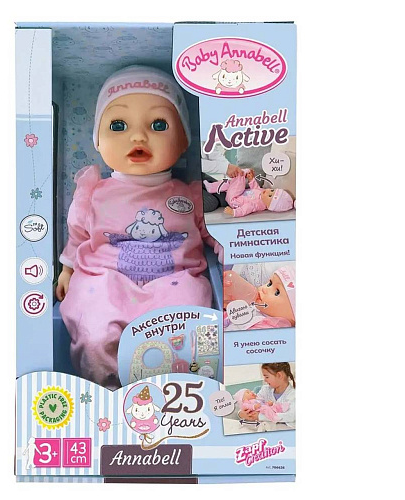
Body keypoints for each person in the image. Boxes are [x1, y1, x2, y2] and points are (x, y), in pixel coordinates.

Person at [56, 66, 221, 389]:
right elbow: (78, 235)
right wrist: (67, 269)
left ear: (184, 140)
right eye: (118, 126)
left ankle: (175, 391)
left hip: (173, 281)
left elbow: (215, 234)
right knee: (94, 327)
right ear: (98, 141)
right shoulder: (94, 191)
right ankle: (105, 390)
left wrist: (240, 249)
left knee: (189, 313)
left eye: (158, 125)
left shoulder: (191, 195)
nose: (138, 136)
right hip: (105, 279)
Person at [238, 363, 296, 427]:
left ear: (279, 375)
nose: (265, 380)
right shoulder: (265, 390)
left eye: (267, 377)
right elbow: (254, 402)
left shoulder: (293, 395)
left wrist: (260, 416)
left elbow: (291, 416)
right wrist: (241, 414)